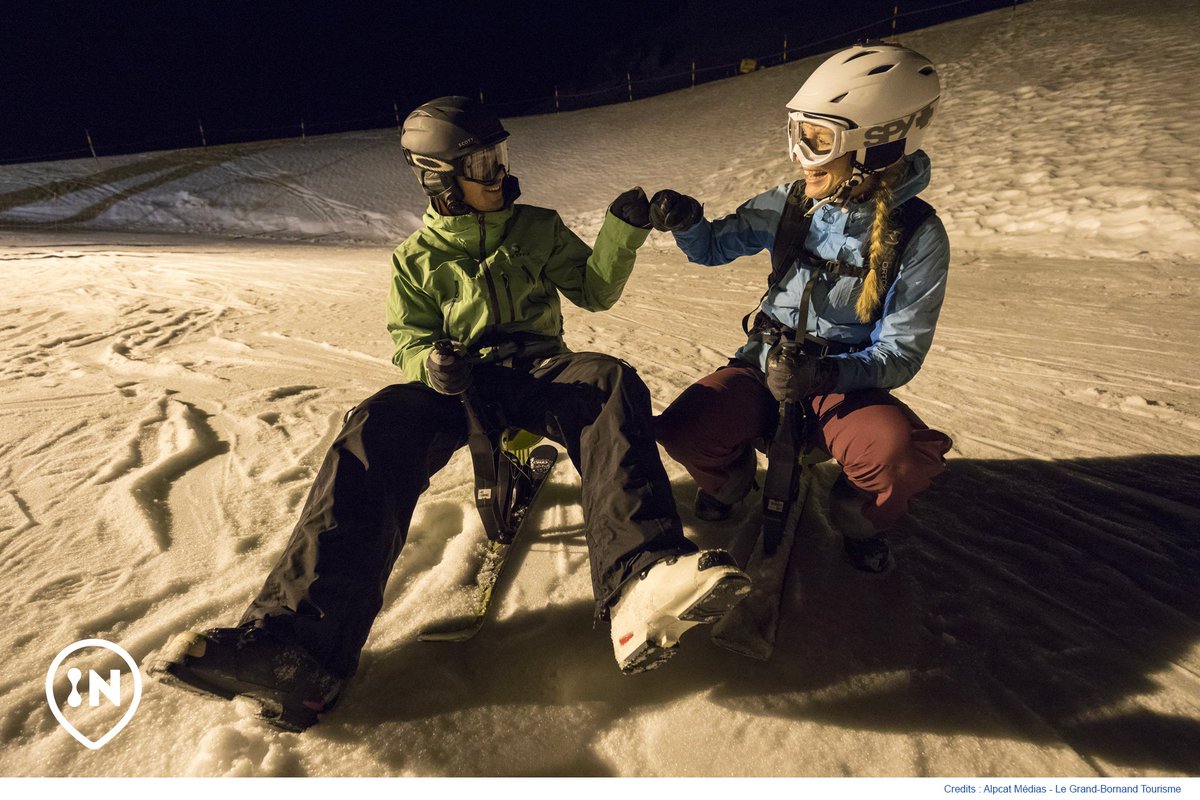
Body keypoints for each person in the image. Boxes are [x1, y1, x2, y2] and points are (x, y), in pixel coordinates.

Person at [151, 96, 749, 730]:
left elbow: (595, 292)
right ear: (440, 178)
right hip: (459, 381)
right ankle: (300, 651)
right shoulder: (415, 259)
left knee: (608, 381)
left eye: (501, 158)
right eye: (484, 163)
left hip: (540, 370)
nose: (500, 174)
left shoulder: (537, 227)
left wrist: (621, 232)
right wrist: (430, 364)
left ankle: (641, 582)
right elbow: (408, 338)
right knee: (376, 423)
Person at [651, 43, 954, 573]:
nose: (799, 156)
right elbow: (715, 247)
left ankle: (857, 513)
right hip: (763, 364)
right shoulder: (794, 203)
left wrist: (826, 371)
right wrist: (688, 223)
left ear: (878, 146)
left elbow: (901, 352)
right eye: (798, 135)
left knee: (896, 457)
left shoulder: (917, 235)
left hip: (840, 382)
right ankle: (733, 481)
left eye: (817, 140)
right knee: (684, 429)